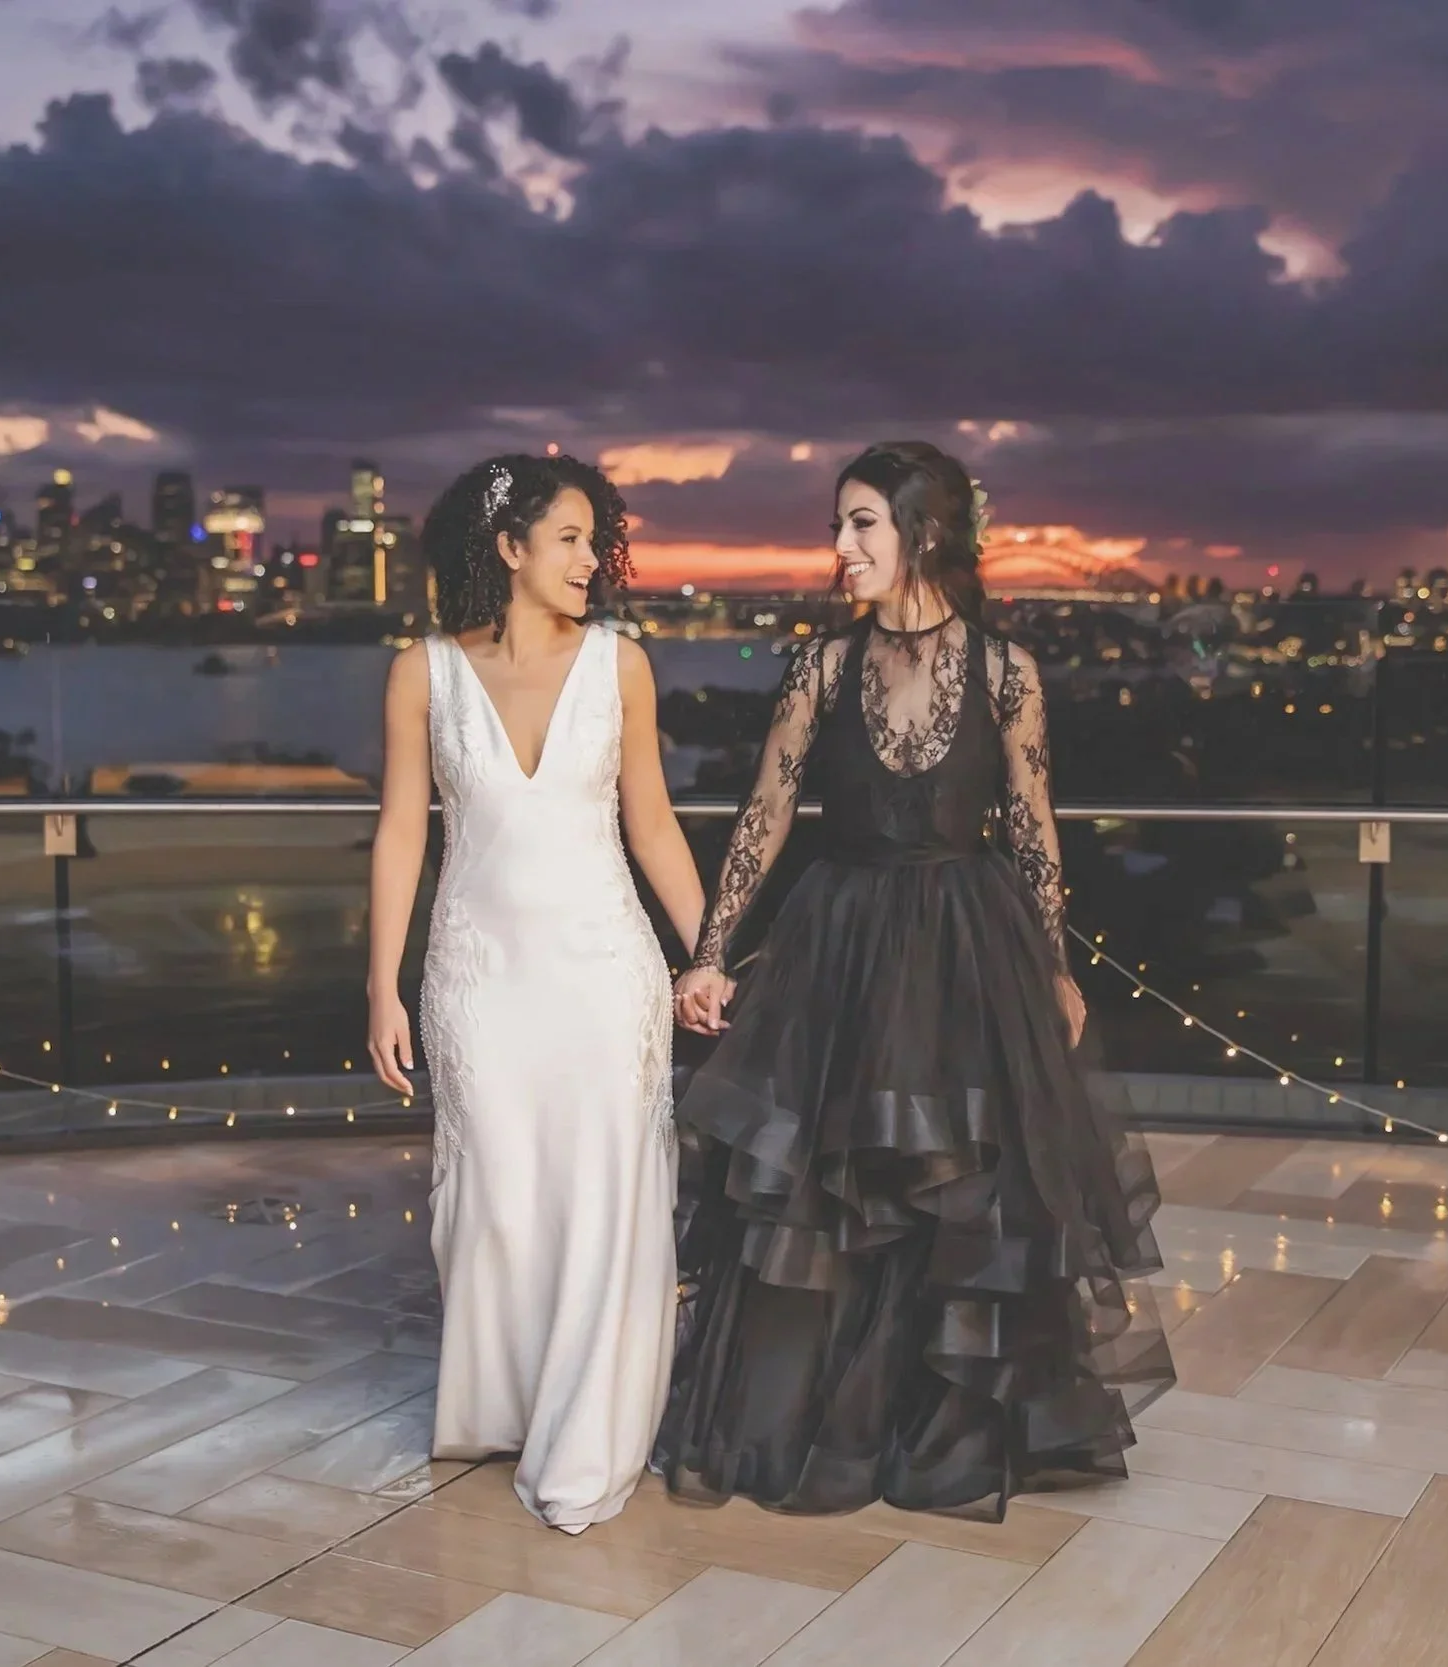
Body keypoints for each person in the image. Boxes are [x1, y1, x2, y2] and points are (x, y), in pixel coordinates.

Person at [656, 440, 1172, 1520]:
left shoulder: (1005, 671)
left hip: (964, 946)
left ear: (922, 531)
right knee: (830, 1195)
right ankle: (828, 1427)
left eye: (860, 524)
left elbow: (1033, 831)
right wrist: (709, 948)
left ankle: (937, 1431)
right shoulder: (819, 665)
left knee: (957, 1193)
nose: (839, 546)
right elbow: (765, 812)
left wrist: (1054, 965)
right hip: (836, 942)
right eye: (838, 524)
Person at [367, 452, 708, 1533]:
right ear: (506, 548)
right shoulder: (422, 670)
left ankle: (587, 1435)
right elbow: (399, 833)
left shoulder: (624, 664)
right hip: (475, 976)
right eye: (567, 539)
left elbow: (650, 822)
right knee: (499, 1205)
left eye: (595, 541)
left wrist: (709, 949)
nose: (590, 561)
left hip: (605, 973)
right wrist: (381, 984)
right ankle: (507, 1404)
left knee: (606, 1194)